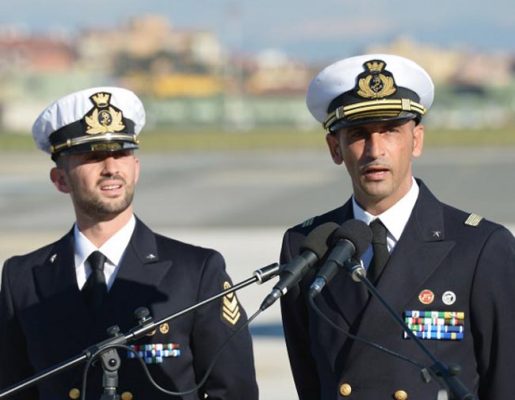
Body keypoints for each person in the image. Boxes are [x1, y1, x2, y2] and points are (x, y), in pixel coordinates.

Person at [279, 54, 515, 399]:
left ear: (416, 140)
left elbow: (506, 381)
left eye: (390, 131)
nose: (375, 151)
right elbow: (309, 379)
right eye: (359, 135)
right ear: (335, 148)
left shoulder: (479, 247)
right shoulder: (308, 245)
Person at [0, 87, 259, 400]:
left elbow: (234, 391)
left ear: (136, 168)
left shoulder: (197, 272)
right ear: (60, 179)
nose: (111, 168)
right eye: (93, 157)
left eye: (121, 154)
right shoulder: (23, 278)